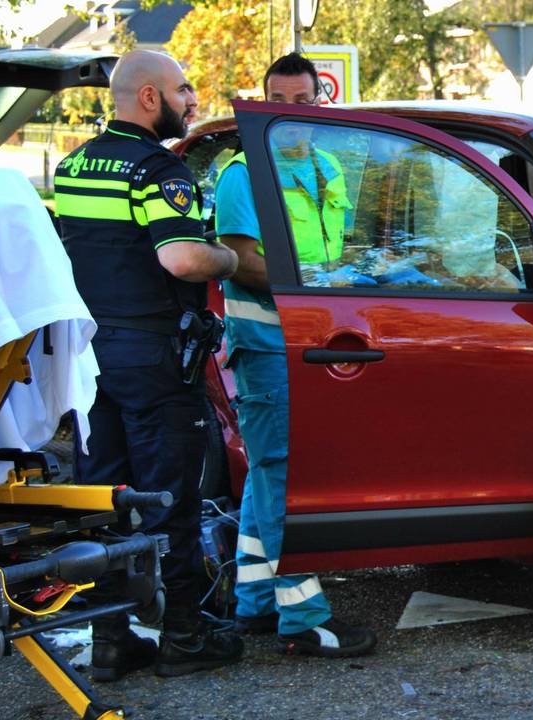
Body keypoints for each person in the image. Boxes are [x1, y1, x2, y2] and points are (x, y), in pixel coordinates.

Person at [55, 50, 244, 679]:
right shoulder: (158, 169)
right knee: (172, 499)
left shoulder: (76, 164)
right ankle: (185, 638)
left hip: (90, 356)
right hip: (154, 358)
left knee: (102, 497)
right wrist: (231, 259)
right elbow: (183, 260)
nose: (192, 101)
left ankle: (110, 639)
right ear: (148, 98)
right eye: (184, 90)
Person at [214, 53, 376, 657]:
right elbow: (240, 260)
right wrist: (311, 282)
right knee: (285, 478)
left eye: (303, 104)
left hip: (313, 342)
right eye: (279, 101)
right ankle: (303, 618)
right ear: (262, 102)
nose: (291, 114)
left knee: (268, 473)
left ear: (318, 103)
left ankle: (254, 603)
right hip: (267, 343)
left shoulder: (330, 166)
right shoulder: (241, 173)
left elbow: (339, 249)